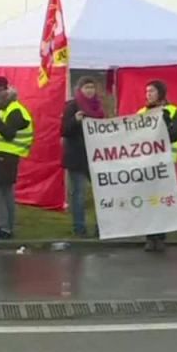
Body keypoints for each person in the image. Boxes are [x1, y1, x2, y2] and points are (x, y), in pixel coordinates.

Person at [138, 80, 177, 252]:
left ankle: (161, 237)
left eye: (152, 91)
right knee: (149, 200)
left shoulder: (172, 110)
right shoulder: (141, 112)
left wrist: (163, 122)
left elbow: (174, 134)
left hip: (165, 162)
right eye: (147, 91)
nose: (148, 94)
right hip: (147, 162)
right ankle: (149, 237)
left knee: (162, 201)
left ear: (160, 93)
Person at [61, 76, 104, 237]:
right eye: (86, 87)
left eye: (92, 87)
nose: (90, 91)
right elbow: (64, 130)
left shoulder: (98, 107)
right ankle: (79, 228)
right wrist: (75, 121)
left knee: (100, 193)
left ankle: (101, 227)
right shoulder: (72, 106)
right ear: (79, 89)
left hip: (95, 156)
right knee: (78, 194)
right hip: (77, 156)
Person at [0, 83, 33, 240]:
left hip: (6, 155)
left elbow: (8, 133)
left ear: (4, 98)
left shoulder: (14, 111)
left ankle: (3, 227)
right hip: (8, 155)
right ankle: (8, 226)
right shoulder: (11, 109)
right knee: (6, 191)